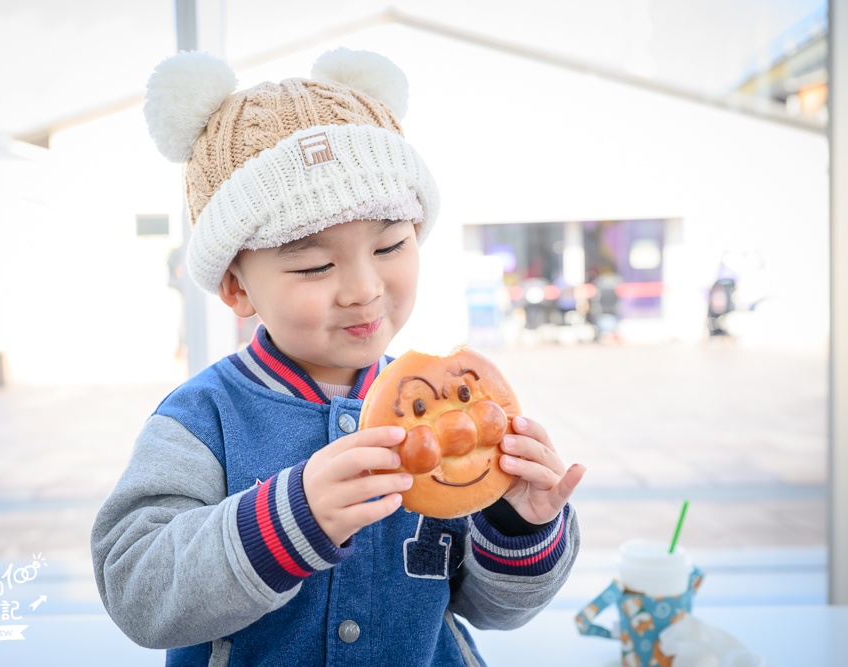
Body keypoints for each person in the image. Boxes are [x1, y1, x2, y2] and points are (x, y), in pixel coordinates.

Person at [91, 47, 585, 666]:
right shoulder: (202, 419)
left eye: (390, 246)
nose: (363, 289)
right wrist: (287, 521)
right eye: (314, 265)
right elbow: (136, 589)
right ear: (237, 288)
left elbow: (491, 611)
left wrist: (519, 528)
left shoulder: (449, 416)